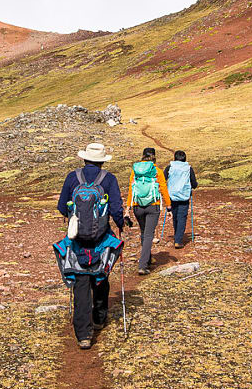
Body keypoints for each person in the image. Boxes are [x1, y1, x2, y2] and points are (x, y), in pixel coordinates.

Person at [55, 143, 125, 349]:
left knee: (81, 282)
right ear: (102, 160)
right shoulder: (109, 179)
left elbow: (61, 206)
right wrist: (120, 224)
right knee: (101, 274)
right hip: (101, 239)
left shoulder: (72, 177)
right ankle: (99, 317)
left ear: (84, 159)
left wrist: (74, 219)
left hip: (76, 240)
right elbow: (115, 208)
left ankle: (83, 334)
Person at [125, 147, 171, 275]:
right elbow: (163, 188)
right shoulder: (157, 171)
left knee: (144, 232)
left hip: (137, 205)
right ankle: (143, 264)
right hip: (153, 205)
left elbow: (131, 189)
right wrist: (168, 205)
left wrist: (128, 207)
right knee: (149, 235)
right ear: (154, 156)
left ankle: (148, 259)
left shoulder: (135, 171)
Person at [164, 150, 198, 249]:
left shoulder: (170, 167)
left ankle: (177, 236)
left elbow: (163, 178)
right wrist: (195, 185)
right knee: (182, 217)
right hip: (184, 196)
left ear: (175, 158)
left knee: (174, 216)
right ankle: (178, 240)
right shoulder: (188, 168)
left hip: (172, 196)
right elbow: (194, 183)